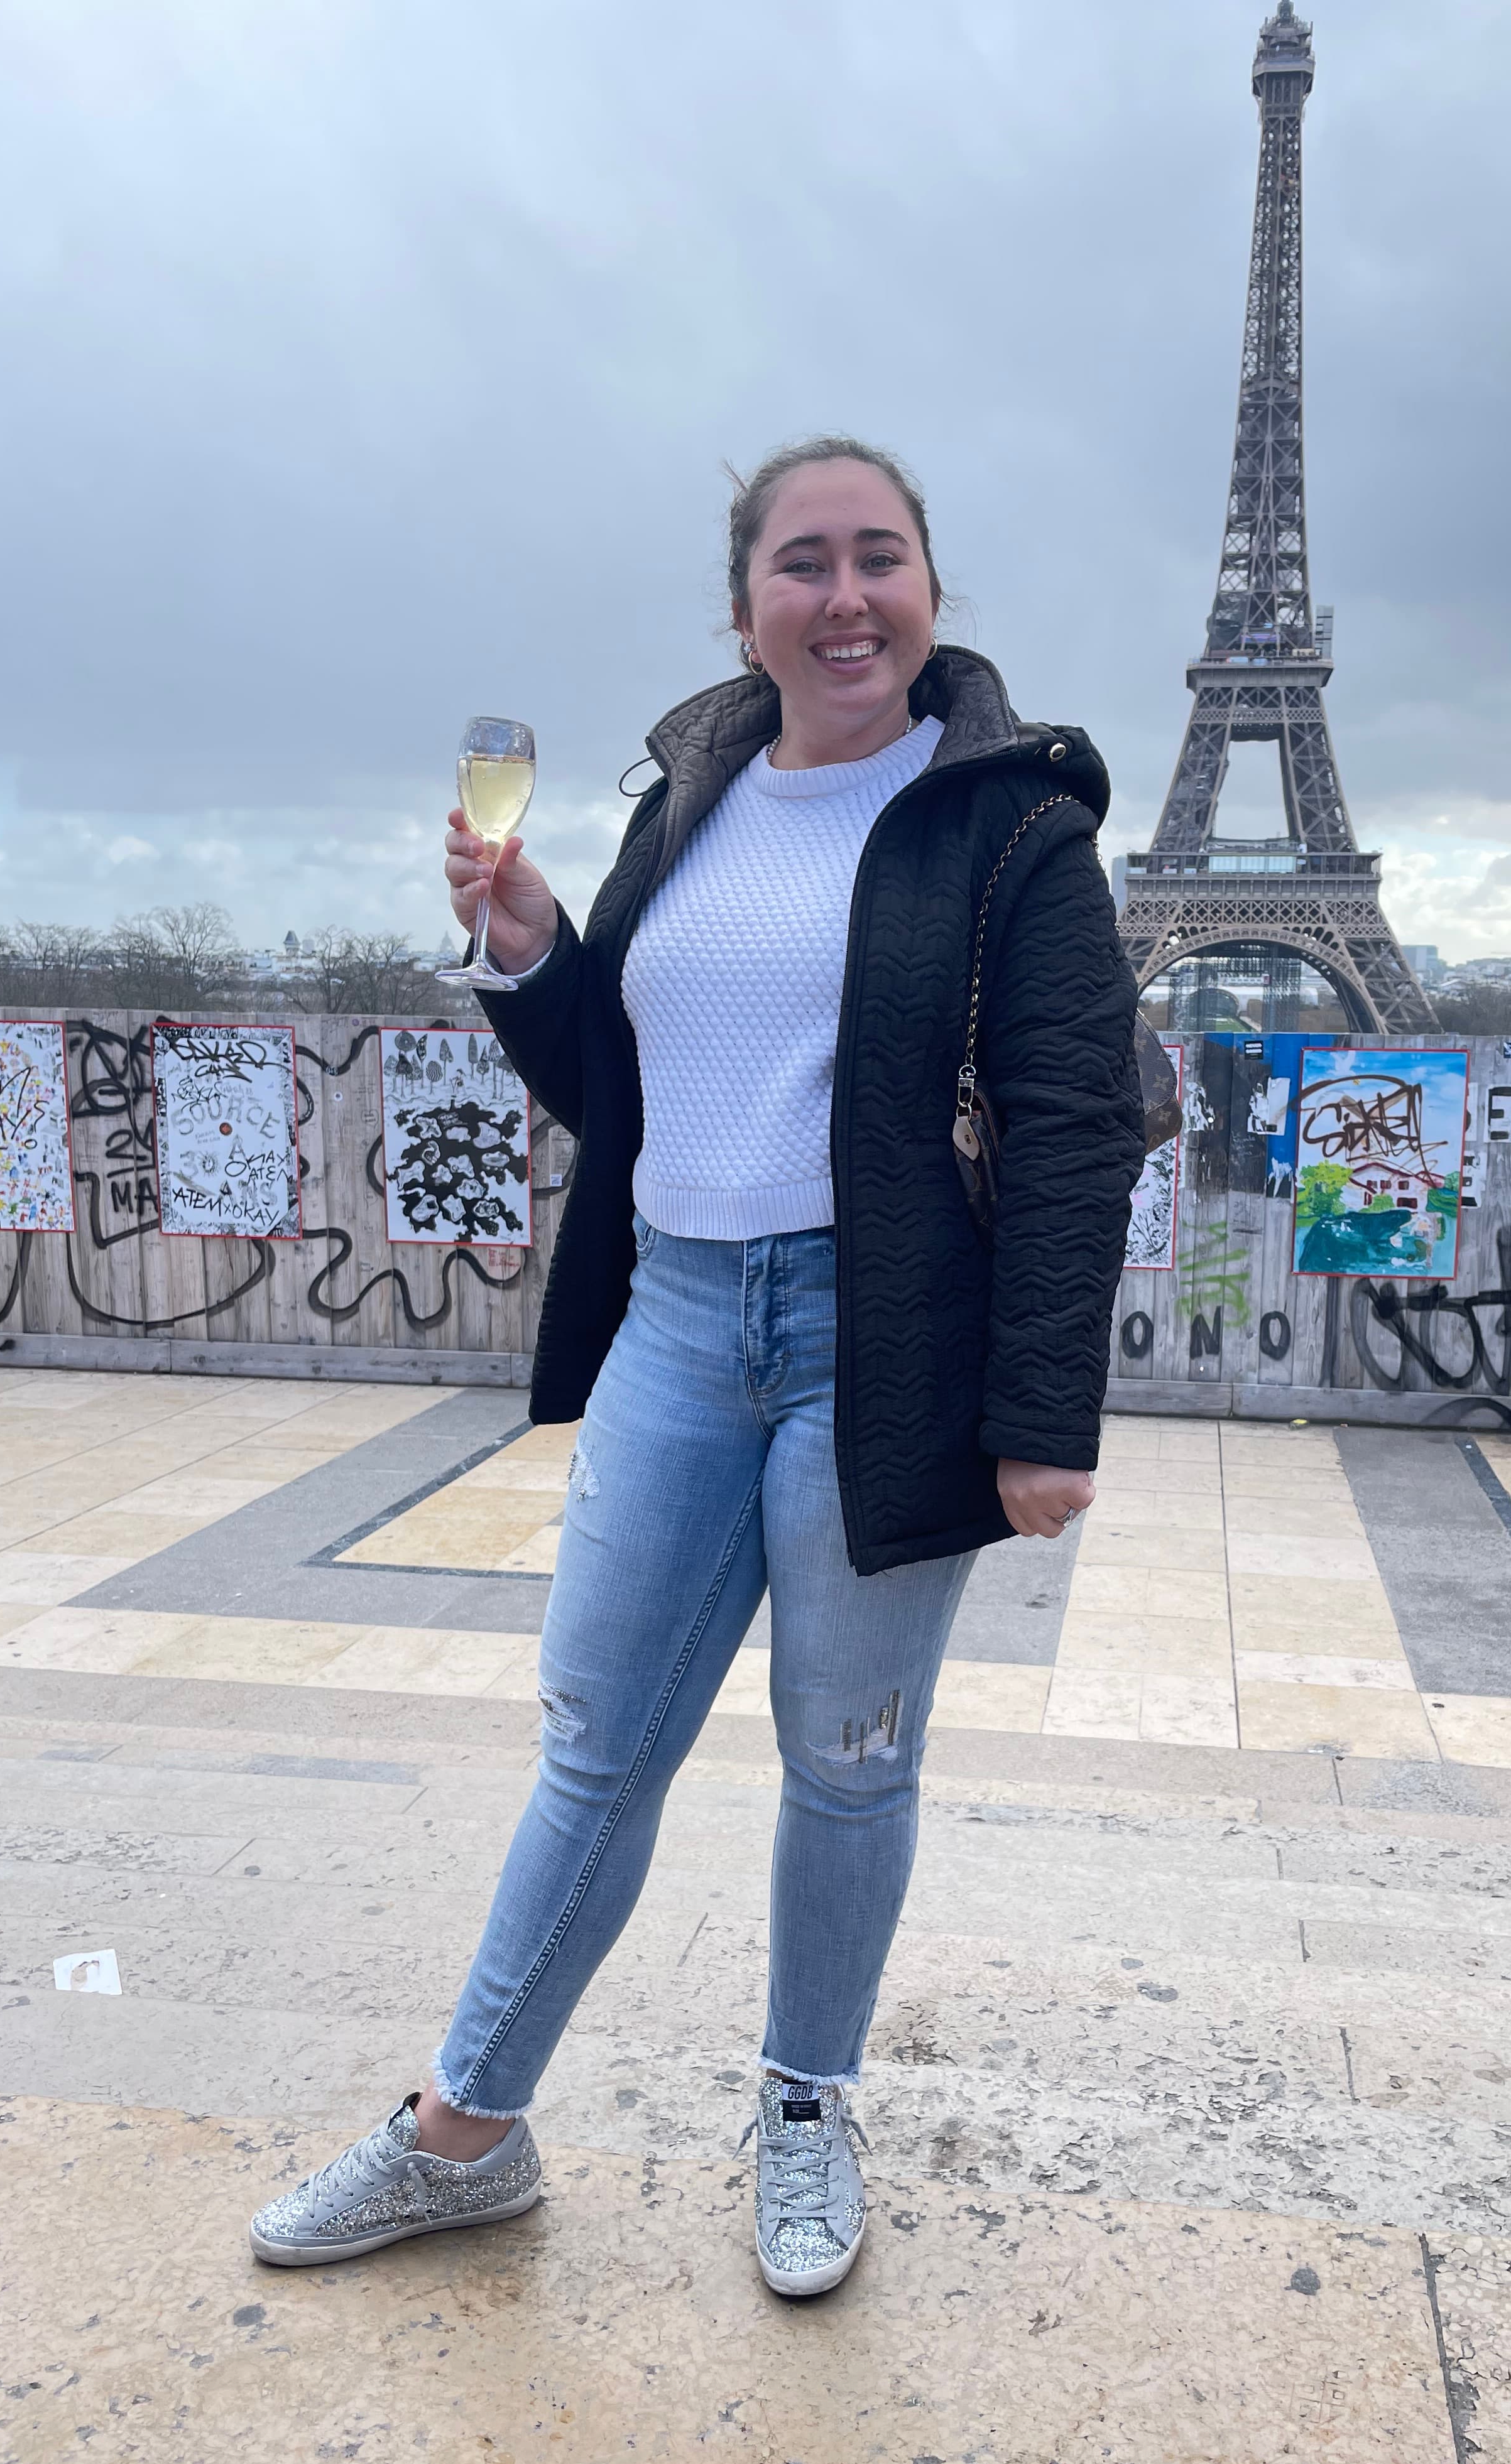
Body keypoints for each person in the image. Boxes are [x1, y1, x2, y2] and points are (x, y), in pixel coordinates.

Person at [249, 436, 1143, 2294]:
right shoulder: (692, 805)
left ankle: (807, 2105)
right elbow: (623, 1092)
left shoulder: (1016, 832)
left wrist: (1044, 1419)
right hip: (676, 1322)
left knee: (845, 1762)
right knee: (596, 1749)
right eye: (802, 563)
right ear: (743, 606)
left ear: (930, 592)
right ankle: (463, 2136)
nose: (844, 598)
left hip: (883, 1348)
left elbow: (1076, 1125)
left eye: (879, 559)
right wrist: (531, 952)